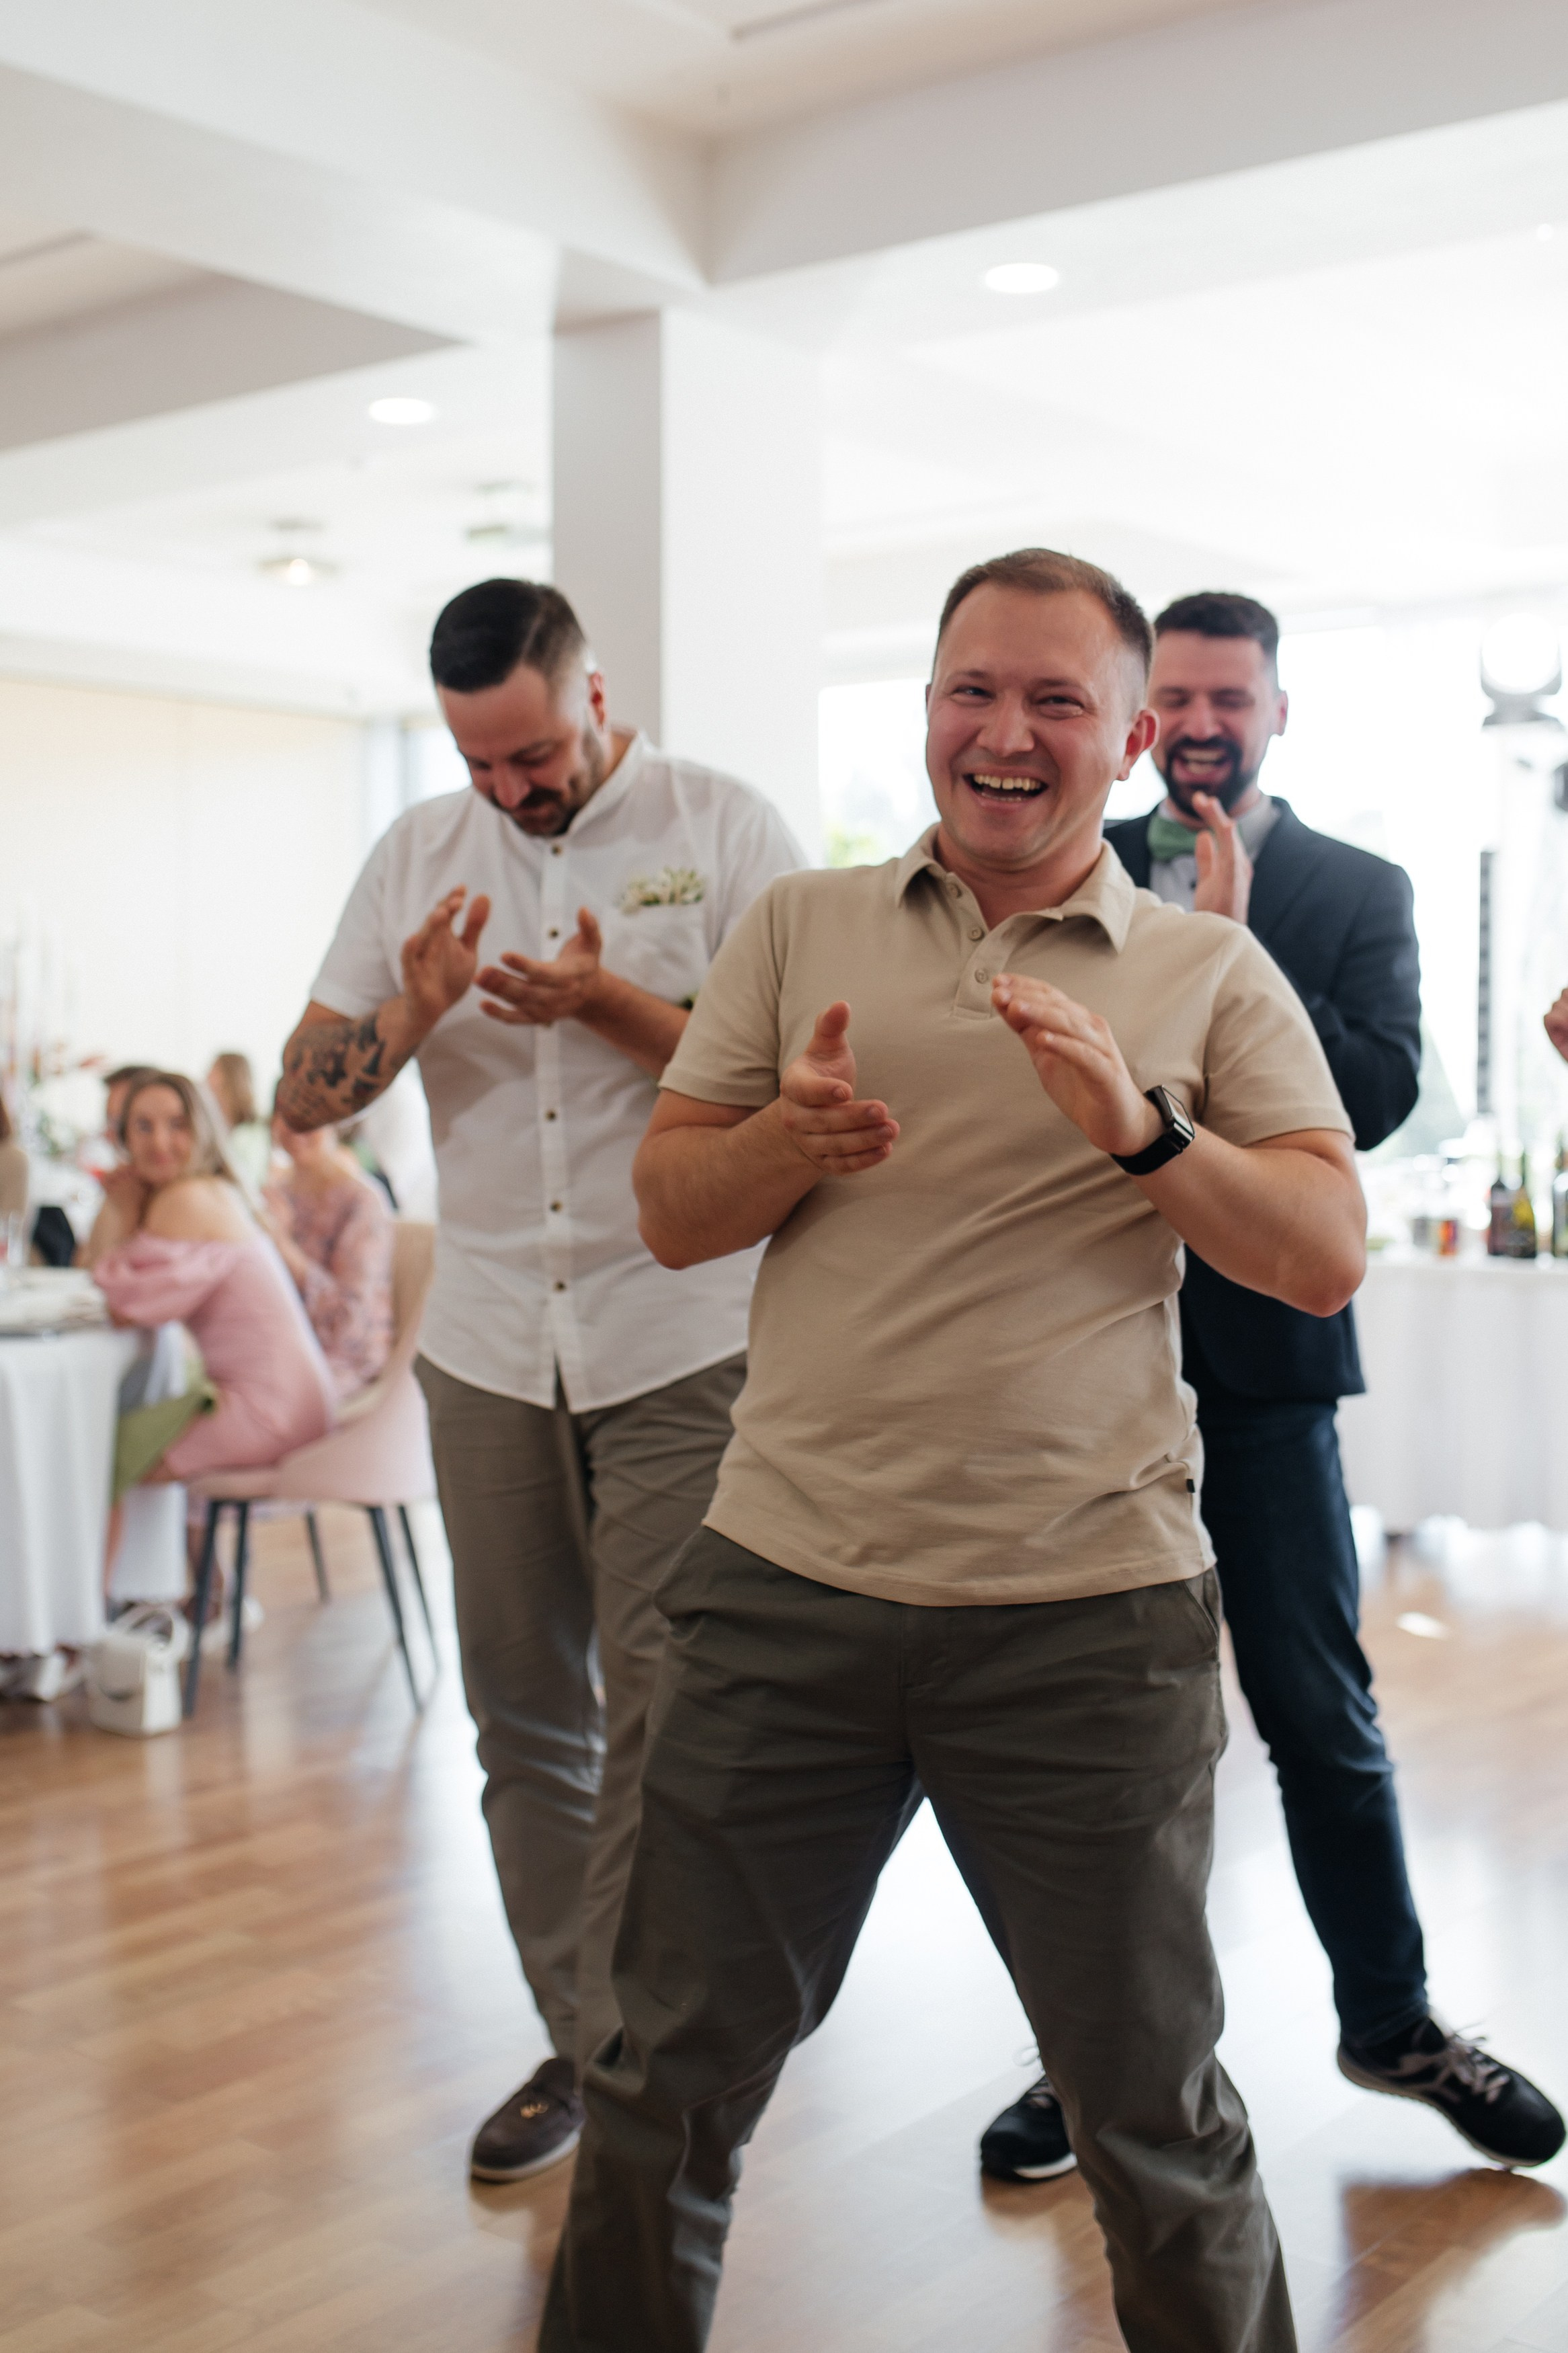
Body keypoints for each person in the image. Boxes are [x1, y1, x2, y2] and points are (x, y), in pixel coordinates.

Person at [542, 547, 1372, 2353]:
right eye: (968, 692)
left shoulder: (1204, 975)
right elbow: (674, 1207)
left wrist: (1140, 1132)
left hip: (1083, 1618)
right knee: (659, 2082)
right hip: (783, 1591)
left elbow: (1314, 1251)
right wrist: (791, 1142)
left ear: (1132, 734)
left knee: (1148, 2119)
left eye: (1055, 700)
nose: (1003, 733)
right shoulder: (799, 929)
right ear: (924, 710)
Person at [968, 591, 1564, 2180]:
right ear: (1140, 719)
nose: (1209, 721)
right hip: (1077, 1363)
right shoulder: (1046, 874)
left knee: (1315, 1705)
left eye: (1236, 695)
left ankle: (1391, 2020)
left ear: (1279, 712)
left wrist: (1231, 963)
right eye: (1179, 697)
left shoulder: (1354, 887)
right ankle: (1086, 2058)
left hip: (1267, 1365)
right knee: (1092, 1733)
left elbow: (1368, 1097)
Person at [276, 578, 800, 2182]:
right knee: (522, 1717)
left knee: (661, 1715)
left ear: (590, 689)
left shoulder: (723, 828)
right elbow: (306, 1092)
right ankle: (589, 2046)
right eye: (479, 761)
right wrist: (414, 1008)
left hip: (679, 1336)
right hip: (493, 1345)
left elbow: (791, 1070)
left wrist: (612, 1005)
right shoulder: (419, 858)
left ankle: (651, 2055)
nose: (511, 790)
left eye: (533, 751)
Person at [90, 1071, 335, 1489]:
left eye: (177, 1125)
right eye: (143, 1126)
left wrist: (117, 1209)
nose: (159, 1143)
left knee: (101, 1462)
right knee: (136, 1434)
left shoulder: (186, 1199)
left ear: (202, 1130)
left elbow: (119, 1308)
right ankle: (197, 1558)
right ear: (123, 1137)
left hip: (270, 1410)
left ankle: (99, 1559)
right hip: (299, 1397)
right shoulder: (213, 1189)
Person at [264, 1104, 395, 1400]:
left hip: (341, 1358)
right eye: (287, 1118)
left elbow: (347, 1324)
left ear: (336, 1122)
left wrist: (282, 1245)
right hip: (280, 1344)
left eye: (311, 1119)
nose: (297, 1130)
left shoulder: (362, 1201)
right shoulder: (273, 1194)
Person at [205, 1051, 271, 1193]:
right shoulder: (221, 1127)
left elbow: (243, 1182)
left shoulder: (250, 1133)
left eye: (213, 1068)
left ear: (229, 1077)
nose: (206, 1075)